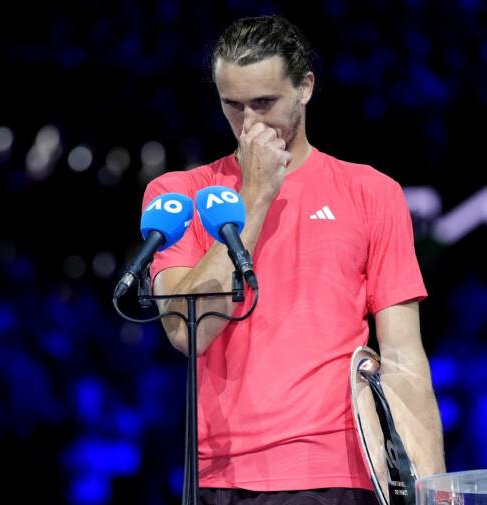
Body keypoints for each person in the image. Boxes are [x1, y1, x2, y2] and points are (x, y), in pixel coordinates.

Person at [142, 14, 446, 504]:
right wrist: (255, 194)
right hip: (220, 476)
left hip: (339, 471)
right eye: (233, 106)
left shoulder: (372, 192)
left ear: (305, 87)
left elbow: (404, 356)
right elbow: (187, 332)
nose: (250, 123)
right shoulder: (179, 195)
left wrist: (432, 489)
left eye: (265, 103)